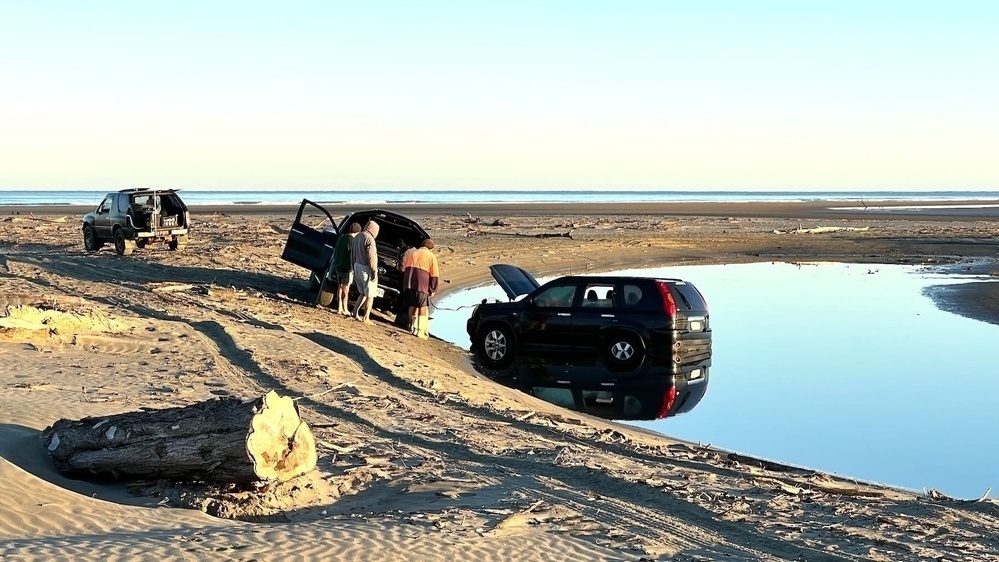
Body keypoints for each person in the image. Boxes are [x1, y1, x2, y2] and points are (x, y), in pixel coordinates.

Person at [402, 238, 440, 339]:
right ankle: (421, 331)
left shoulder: (412, 253)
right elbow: (434, 274)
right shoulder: (431, 256)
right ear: (430, 248)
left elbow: (404, 268)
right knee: (423, 307)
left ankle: (414, 328)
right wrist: (433, 289)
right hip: (421, 284)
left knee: (414, 305)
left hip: (408, 283)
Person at [351, 220, 380, 323]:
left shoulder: (357, 236)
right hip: (365, 268)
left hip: (356, 265)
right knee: (370, 294)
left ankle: (355, 312)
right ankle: (366, 317)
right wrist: (374, 272)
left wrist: (353, 267)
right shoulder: (370, 239)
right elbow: (371, 258)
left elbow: (352, 254)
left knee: (362, 292)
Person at [333, 222, 361, 316]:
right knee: (346, 288)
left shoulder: (341, 238)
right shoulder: (353, 241)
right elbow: (352, 255)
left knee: (339, 287)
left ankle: (339, 307)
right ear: (358, 232)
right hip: (347, 267)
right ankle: (345, 308)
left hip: (338, 265)